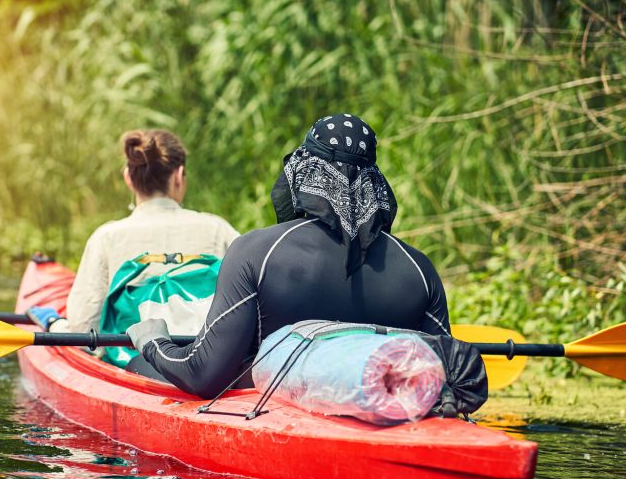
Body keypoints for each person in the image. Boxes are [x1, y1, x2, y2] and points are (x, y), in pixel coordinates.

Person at [127, 114, 451, 399]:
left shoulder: (257, 252)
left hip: (271, 406)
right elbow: (448, 372)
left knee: (137, 363)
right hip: (385, 408)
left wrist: (153, 341)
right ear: (373, 183)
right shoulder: (419, 268)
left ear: (302, 173)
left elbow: (201, 376)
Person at [46, 129, 239, 337]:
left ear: (128, 178)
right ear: (179, 176)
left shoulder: (106, 238)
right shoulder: (218, 230)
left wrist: (55, 324)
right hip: (209, 359)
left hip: (133, 360)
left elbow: (84, 328)